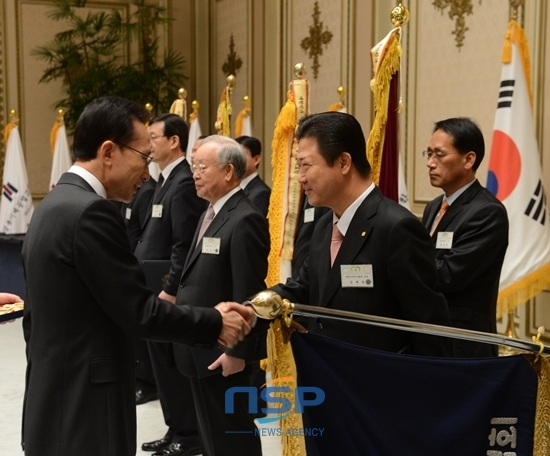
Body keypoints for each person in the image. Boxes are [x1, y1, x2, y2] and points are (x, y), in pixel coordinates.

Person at [20, 96, 254, 456]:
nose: (146, 174)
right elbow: (139, 312)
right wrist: (214, 322)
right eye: (143, 158)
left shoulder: (53, 204)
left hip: (54, 395)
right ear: (109, 151)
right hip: (87, 405)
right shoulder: (91, 212)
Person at [260, 111, 452, 356]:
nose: (301, 178)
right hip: (328, 376)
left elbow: (428, 326)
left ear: (343, 163)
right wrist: (250, 308)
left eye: (306, 165)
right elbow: (304, 287)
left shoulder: (395, 227)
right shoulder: (323, 226)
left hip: (377, 382)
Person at [173, 135, 270, 456]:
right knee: (213, 437)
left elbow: (249, 292)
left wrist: (237, 352)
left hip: (224, 353)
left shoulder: (245, 219)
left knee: (232, 439)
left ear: (229, 172)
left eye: (202, 167)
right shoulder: (210, 212)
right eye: (193, 166)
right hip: (200, 347)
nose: (194, 174)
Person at [136, 113, 207, 456]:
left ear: (174, 141)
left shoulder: (182, 181)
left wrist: (172, 288)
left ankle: (188, 433)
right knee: (160, 365)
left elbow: (184, 243)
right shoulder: (165, 180)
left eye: (153, 138)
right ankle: (174, 426)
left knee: (171, 364)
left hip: (167, 290)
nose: (148, 145)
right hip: (153, 286)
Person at [421, 117, 509, 358]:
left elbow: (449, 275)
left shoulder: (487, 212)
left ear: (469, 159)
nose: (430, 163)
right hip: (429, 335)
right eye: (428, 154)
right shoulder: (433, 207)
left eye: (439, 155)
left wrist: (398, 264)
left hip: (463, 344)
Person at [235, 136, 271, 217]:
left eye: (241, 154)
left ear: (256, 160)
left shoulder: (261, 193)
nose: (236, 160)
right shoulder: (233, 187)